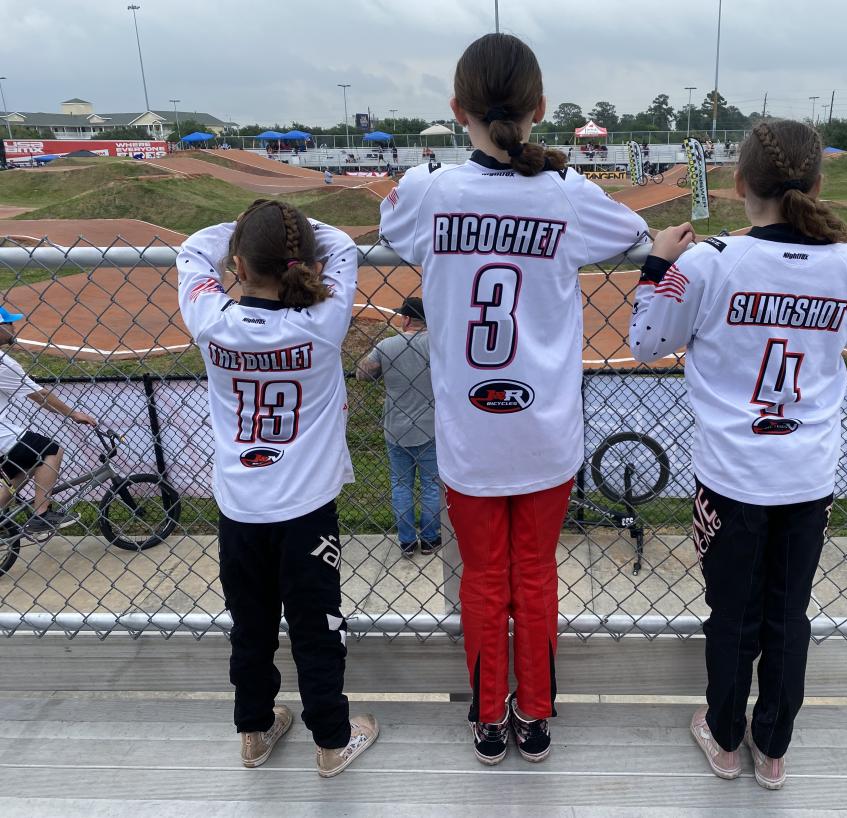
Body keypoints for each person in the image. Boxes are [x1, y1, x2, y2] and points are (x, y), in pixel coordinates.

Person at [379, 32, 648, 766]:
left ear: (456, 108)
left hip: (468, 433)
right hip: (544, 433)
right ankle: (534, 716)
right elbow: (635, 231)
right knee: (535, 577)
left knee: (482, 580)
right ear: (539, 109)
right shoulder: (566, 195)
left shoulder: (432, 192)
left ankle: (488, 720)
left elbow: (389, 218)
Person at [630, 120, 847, 790]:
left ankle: (725, 739)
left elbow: (645, 342)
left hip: (730, 476)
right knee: (788, 617)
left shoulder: (710, 261)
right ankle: (773, 747)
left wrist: (657, 267)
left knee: (733, 616)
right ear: (817, 186)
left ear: (737, 185)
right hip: (806, 477)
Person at [177, 199, 379, 778]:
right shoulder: (322, 322)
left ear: (237, 264)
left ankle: (255, 731)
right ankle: (332, 741)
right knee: (318, 628)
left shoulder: (211, 319)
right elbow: (340, 243)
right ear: (303, 263)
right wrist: (293, 236)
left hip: (239, 506)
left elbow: (192, 249)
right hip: (306, 510)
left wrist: (243, 239)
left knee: (252, 626)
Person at [0, 307, 97, 534]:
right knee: (50, 449)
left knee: (21, 468)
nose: (14, 327)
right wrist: (73, 414)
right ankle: (41, 515)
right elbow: (40, 396)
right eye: (9, 323)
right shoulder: (3, 364)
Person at [356, 297, 440, 558]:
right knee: (431, 484)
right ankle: (429, 539)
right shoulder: (438, 345)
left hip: (396, 428)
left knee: (401, 484)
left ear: (405, 319)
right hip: (431, 426)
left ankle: (406, 542)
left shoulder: (387, 345)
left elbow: (363, 374)